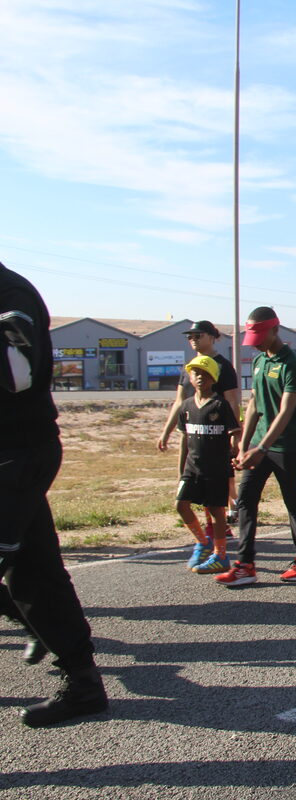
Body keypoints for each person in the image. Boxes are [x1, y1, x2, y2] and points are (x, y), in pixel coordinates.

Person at [1, 260, 108, 726]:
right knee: (34, 572)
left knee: (32, 571)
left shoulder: (10, 295)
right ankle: (83, 684)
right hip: (15, 455)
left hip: (16, 455)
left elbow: (17, 375)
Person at [216, 306, 296, 586]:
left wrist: (261, 448)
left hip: (288, 446)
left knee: (293, 501)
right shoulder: (260, 361)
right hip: (258, 444)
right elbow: (253, 406)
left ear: (276, 329)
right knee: (247, 501)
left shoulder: (291, 363)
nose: (258, 343)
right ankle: (245, 564)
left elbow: (287, 411)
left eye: (262, 335)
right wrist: (243, 445)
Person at [156, 320, 241, 530]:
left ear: (212, 337)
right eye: (190, 337)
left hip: (217, 430)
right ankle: (212, 525)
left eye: (198, 335)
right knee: (190, 476)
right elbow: (179, 400)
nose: (193, 340)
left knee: (218, 479)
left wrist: (235, 435)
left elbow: (232, 400)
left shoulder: (222, 366)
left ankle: (226, 517)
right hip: (192, 430)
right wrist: (166, 432)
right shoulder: (189, 369)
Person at [175, 356, 241, 574]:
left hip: (216, 468)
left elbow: (234, 432)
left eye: (205, 374)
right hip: (192, 468)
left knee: (217, 512)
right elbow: (184, 439)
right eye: (196, 374)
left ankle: (221, 555)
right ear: (190, 378)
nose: (200, 378)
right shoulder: (186, 406)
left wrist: (234, 448)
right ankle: (203, 542)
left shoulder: (220, 405)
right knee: (181, 505)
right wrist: (180, 468)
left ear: (214, 378)